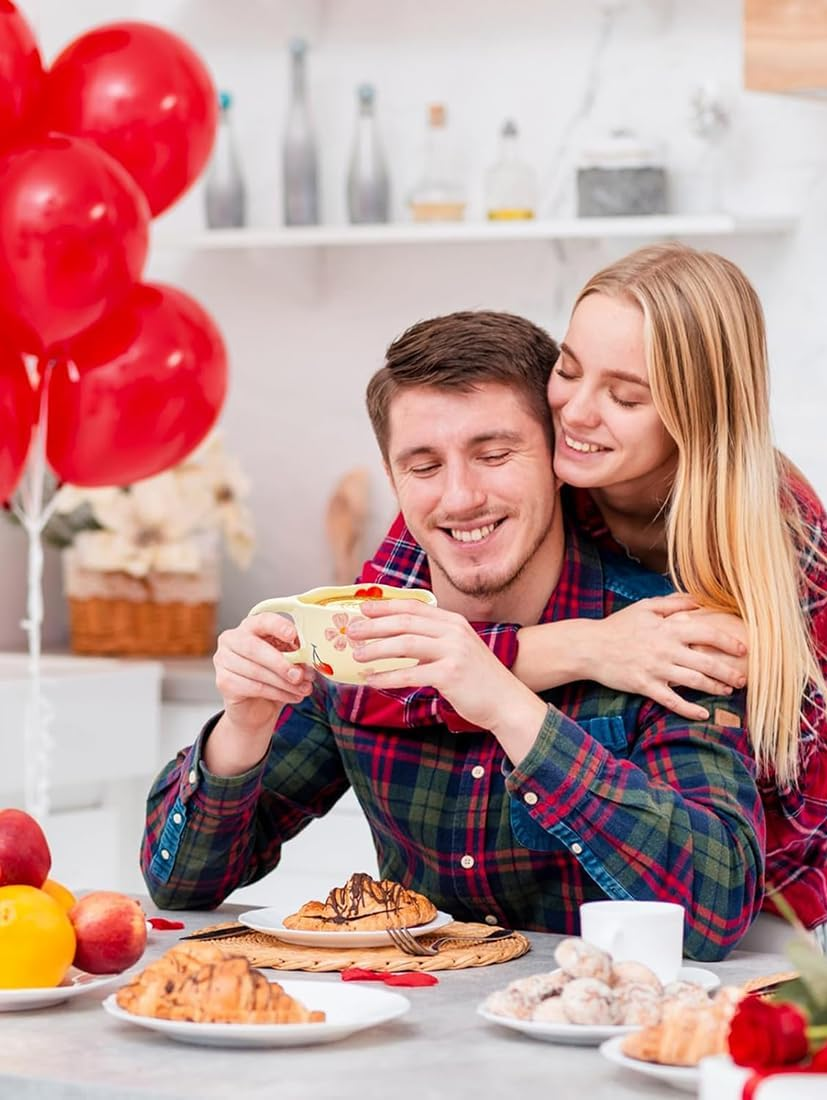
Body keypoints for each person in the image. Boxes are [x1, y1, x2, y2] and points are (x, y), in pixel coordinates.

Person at [141, 311, 766, 961]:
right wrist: (241, 731)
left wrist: (510, 708)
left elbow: (715, 910)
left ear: (557, 459)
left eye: (493, 455)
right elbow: (179, 885)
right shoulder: (355, 638)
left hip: (609, 1033)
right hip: (416, 1030)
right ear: (392, 480)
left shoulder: (657, 634)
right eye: (423, 465)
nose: (460, 497)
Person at [365, 244, 827, 935]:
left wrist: (711, 732)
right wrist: (586, 649)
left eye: (625, 396)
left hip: (766, 917)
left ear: (695, 415)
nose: (575, 412)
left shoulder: (776, 532)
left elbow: (807, 797)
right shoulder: (501, 485)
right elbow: (374, 668)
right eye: (568, 369)